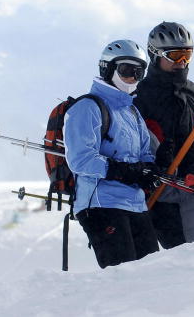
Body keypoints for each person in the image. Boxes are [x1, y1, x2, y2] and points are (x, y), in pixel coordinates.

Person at [64, 39, 160, 269]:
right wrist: (120, 170)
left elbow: (144, 152)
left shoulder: (132, 111)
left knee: (152, 274)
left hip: (135, 204)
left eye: (139, 72)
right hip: (102, 204)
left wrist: (148, 170)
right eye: (126, 70)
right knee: (122, 279)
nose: (132, 78)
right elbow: (80, 159)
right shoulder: (87, 107)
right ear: (107, 68)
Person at [134, 21, 194, 249]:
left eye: (187, 55)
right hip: (158, 191)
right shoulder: (140, 95)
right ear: (155, 54)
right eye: (175, 56)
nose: (182, 63)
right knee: (176, 254)